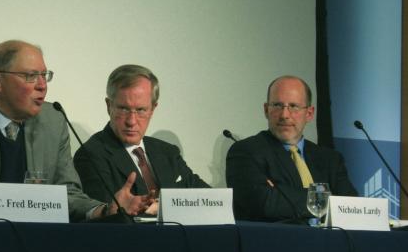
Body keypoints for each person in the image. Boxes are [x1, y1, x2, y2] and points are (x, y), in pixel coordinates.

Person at [0, 40, 147, 220]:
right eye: (30, 76)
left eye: (44, 75)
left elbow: (68, 194)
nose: (42, 85)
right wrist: (11, 204)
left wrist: (104, 210)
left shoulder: (53, 120)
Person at [74, 65, 209, 215]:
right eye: (124, 109)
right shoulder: (91, 155)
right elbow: (107, 215)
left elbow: (209, 199)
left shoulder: (167, 152)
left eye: (140, 110)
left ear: (153, 109)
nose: (131, 121)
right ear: (109, 106)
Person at [226, 75, 357, 222]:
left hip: (330, 243)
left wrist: (282, 192)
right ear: (266, 110)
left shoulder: (330, 159)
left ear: (309, 113)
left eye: (293, 106)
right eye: (277, 105)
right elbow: (265, 203)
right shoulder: (246, 151)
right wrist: (327, 200)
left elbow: (350, 207)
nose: (285, 115)